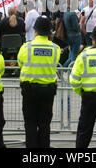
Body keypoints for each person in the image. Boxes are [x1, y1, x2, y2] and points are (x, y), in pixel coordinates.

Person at [17, 16, 60, 148]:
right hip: (47, 90)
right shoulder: (55, 48)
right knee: (45, 123)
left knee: (30, 122)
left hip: (30, 89)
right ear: (49, 32)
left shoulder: (26, 47)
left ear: (35, 31)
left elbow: (20, 63)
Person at [63, 0, 82, 67]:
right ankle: (69, 71)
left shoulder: (66, 12)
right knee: (74, 56)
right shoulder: (72, 14)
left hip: (69, 36)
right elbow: (76, 27)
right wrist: (81, 21)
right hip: (75, 36)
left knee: (71, 55)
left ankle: (63, 68)